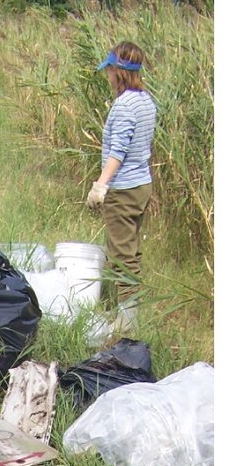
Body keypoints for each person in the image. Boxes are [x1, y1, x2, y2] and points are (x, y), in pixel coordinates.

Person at [85, 43, 157, 323]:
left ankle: (127, 322)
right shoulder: (146, 101)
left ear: (118, 71)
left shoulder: (125, 105)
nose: (108, 76)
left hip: (124, 189)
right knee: (131, 251)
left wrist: (101, 185)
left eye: (110, 71)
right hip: (142, 185)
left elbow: (119, 150)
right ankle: (127, 312)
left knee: (121, 256)